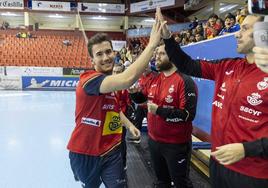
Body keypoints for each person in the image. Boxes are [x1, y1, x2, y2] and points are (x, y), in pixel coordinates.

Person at [157, 8, 268, 188]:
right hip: (218, 166)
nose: (237, 34)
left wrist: (246, 150)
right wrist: (168, 38)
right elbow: (187, 64)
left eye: (245, 29)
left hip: (253, 175)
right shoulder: (227, 66)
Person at [67, 16, 163, 188]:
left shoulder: (111, 83)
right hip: (85, 152)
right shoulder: (88, 80)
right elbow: (127, 78)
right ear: (92, 61)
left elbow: (114, 110)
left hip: (111, 149)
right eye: (99, 54)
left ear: (114, 53)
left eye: (108, 51)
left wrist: (129, 125)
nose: (105, 57)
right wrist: (152, 45)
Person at [129, 41, 198, 188]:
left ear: (172, 56)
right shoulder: (155, 79)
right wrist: (135, 95)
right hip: (154, 142)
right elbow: (144, 99)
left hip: (176, 145)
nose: (156, 57)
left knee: (181, 183)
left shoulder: (185, 81)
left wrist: (159, 110)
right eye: (156, 54)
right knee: (161, 182)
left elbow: (188, 115)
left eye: (161, 54)